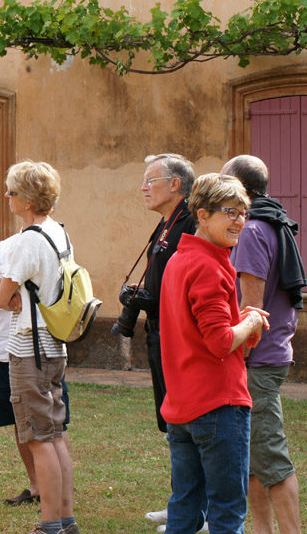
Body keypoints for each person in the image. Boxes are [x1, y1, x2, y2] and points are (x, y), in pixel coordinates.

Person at [159, 173, 270, 534]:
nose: (239, 220)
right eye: (230, 212)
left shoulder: (181, 259)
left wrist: (243, 320)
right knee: (226, 514)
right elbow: (220, 341)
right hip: (218, 404)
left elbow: (196, 329)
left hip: (182, 405)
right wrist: (251, 320)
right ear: (202, 215)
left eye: (243, 212)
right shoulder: (209, 265)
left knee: (186, 509)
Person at [110, 153, 196, 528]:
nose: (143, 188)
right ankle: (182, 503)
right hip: (159, 334)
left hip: (180, 337)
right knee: (172, 422)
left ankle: (196, 509)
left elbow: (181, 288)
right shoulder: (166, 224)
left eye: (150, 180)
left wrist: (140, 298)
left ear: (174, 184)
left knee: (186, 424)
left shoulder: (189, 223)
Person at [0, 160, 79, 534]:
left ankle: (49, 524)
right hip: (55, 345)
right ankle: (65, 518)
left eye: (11, 191)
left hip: (30, 347)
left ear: (27, 201)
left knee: (38, 438)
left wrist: (7, 294)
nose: (7, 197)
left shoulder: (28, 239)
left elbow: (1, 296)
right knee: (55, 434)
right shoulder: (58, 232)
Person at [221, 155, 306, 534]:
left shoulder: (253, 229)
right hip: (268, 356)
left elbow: (250, 311)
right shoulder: (273, 220)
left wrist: (236, 356)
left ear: (241, 188)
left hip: (258, 360)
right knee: (252, 458)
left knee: (270, 459)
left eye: (225, 182)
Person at [0, 232, 40, 506]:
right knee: (16, 421)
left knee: (43, 422)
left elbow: (41, 294)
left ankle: (53, 488)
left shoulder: (46, 244)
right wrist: (9, 292)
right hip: (2, 348)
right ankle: (36, 485)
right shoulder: (1, 248)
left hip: (32, 349)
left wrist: (5, 290)